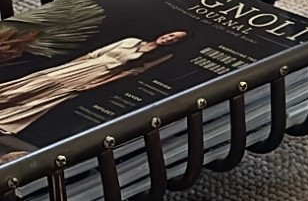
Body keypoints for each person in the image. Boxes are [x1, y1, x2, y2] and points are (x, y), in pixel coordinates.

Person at [0, 31, 187, 136]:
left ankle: (5, 118)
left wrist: (95, 84)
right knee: (40, 81)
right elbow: (95, 53)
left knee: (51, 96)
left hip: (100, 74)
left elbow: (131, 72)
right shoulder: (131, 40)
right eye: (171, 35)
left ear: (175, 43)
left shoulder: (163, 55)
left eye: (175, 39)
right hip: (86, 65)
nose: (169, 38)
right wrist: (69, 65)